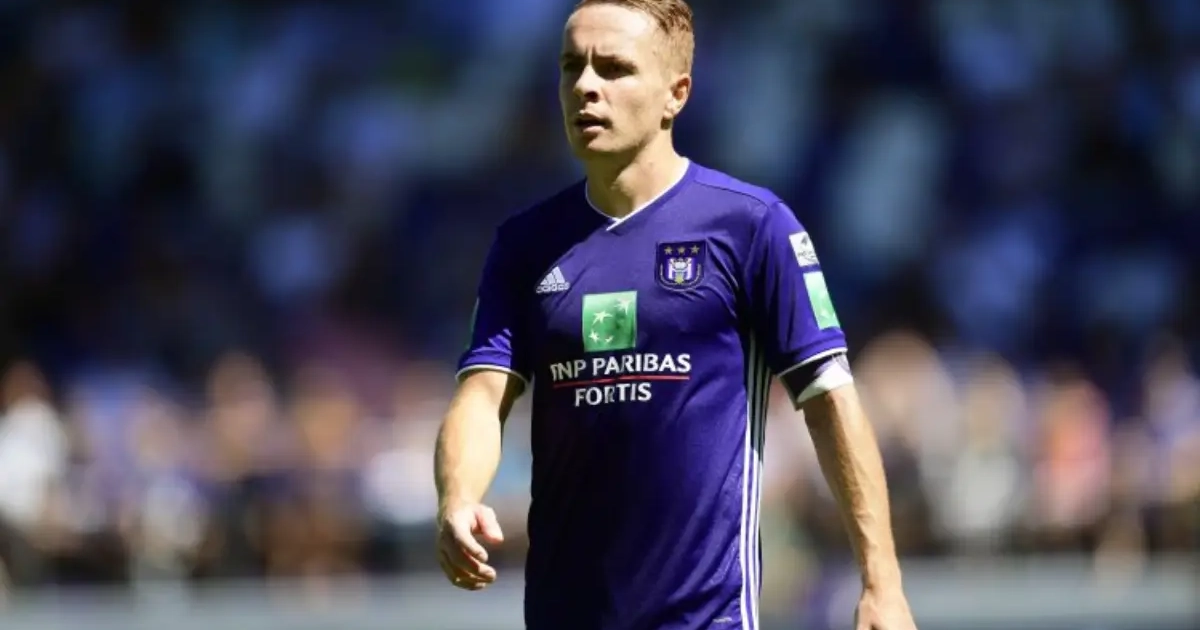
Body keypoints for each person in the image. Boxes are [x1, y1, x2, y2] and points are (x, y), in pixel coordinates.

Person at [433, 1, 917, 628]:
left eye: (614, 68)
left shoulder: (752, 227)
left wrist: (881, 582)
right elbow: (481, 394)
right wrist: (457, 498)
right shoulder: (524, 245)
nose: (586, 86)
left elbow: (830, 400)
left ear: (676, 94)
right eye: (572, 66)